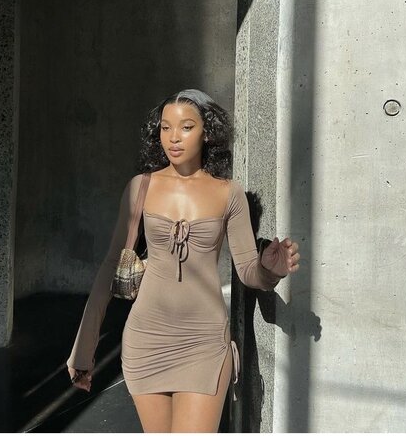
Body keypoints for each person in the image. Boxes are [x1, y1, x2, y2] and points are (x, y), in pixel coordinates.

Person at [66, 88, 300, 432]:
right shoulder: (140, 187)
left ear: (207, 132)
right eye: (165, 128)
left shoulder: (228, 193)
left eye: (186, 127)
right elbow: (109, 266)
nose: (173, 137)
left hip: (205, 343)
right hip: (146, 340)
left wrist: (270, 270)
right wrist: (83, 349)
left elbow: (248, 272)